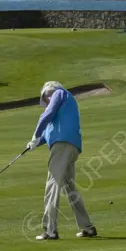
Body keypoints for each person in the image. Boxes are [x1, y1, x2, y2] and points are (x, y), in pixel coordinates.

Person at [28, 81, 97, 241]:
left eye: (46, 99)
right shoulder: (62, 108)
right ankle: (87, 227)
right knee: (69, 187)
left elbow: (47, 114)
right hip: (71, 146)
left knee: (52, 184)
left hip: (62, 146)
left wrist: (35, 133)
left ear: (48, 93)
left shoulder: (59, 93)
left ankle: (50, 230)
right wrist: (35, 142)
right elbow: (47, 133)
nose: (46, 103)